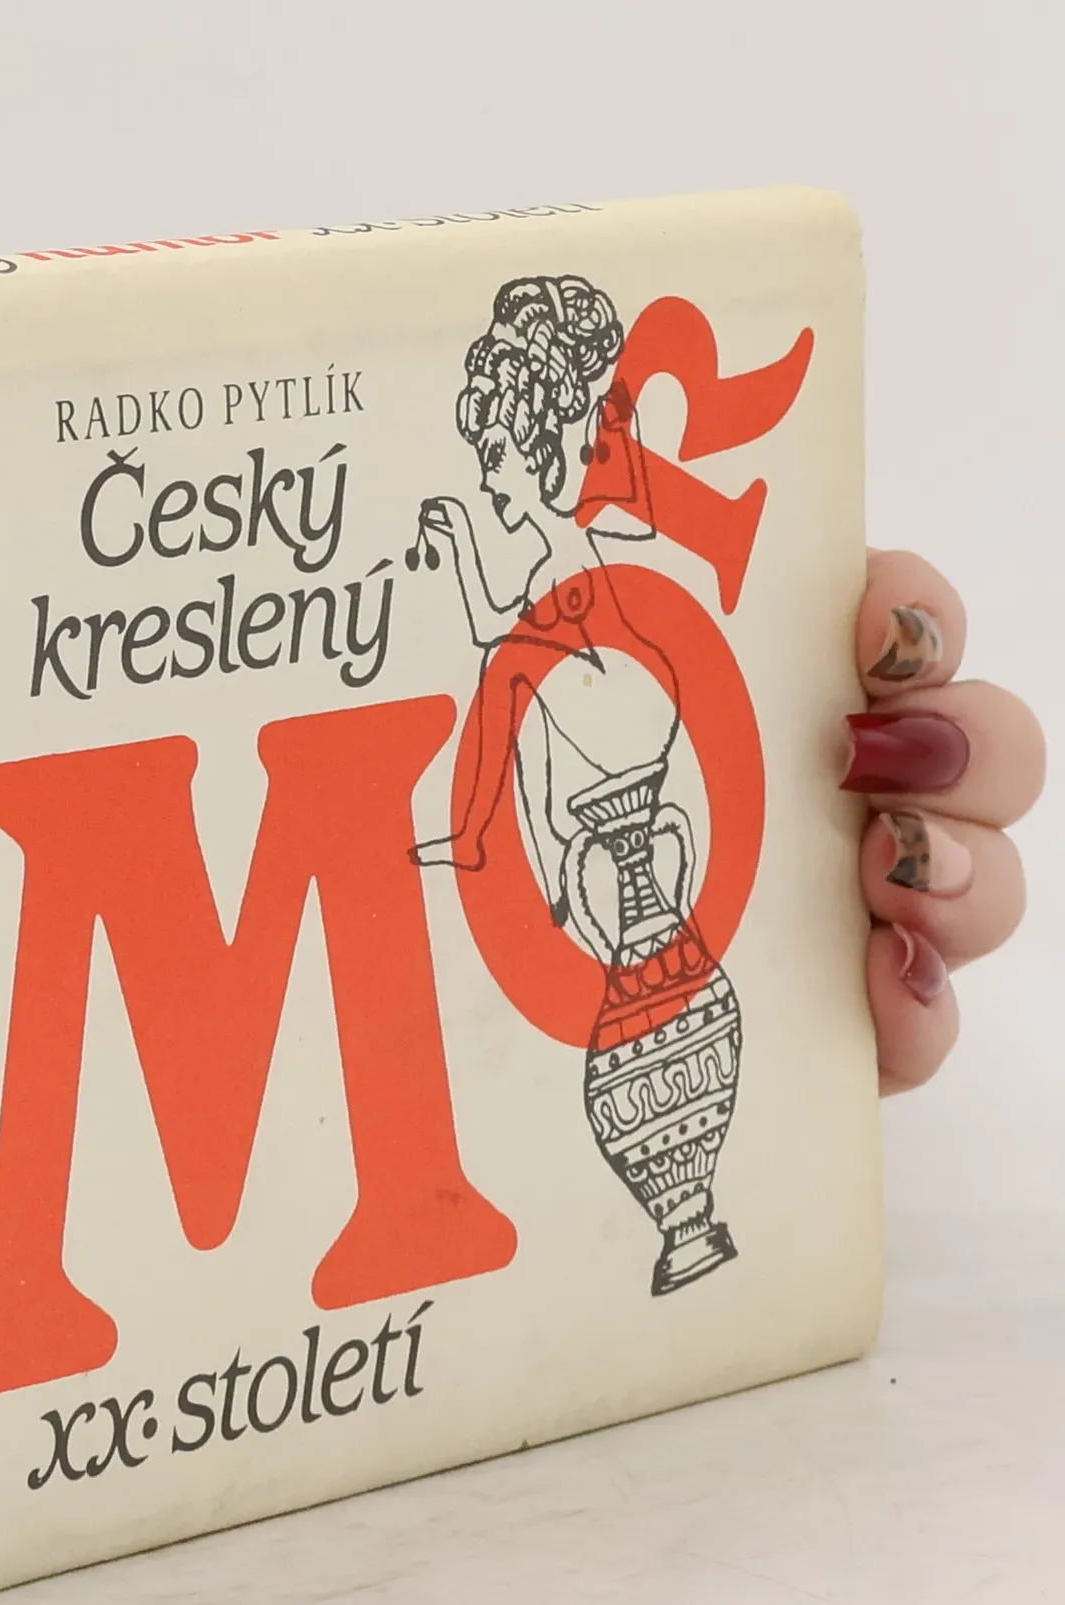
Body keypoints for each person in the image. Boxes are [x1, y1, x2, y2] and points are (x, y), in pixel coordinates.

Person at [406, 274, 1043, 1096]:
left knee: (509, 669)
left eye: (495, 454)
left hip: (630, 707)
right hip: (625, 705)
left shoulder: (557, 544)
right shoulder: (559, 540)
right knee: (512, 673)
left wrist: (459, 539)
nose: (488, 477)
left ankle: (482, 838)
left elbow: (498, 627)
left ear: (533, 448)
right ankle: (494, 840)